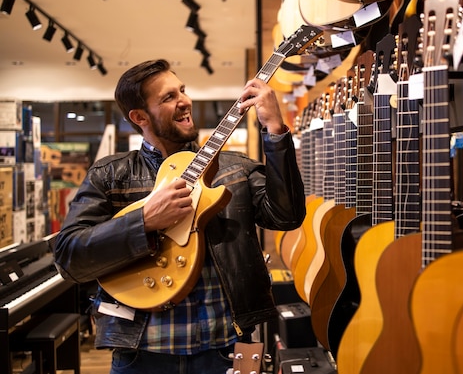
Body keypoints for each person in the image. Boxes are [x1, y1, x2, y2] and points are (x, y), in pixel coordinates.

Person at [53, 59, 306, 374]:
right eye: (168, 97)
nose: (184, 100)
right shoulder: (111, 175)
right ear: (139, 116)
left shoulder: (235, 168)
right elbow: (68, 257)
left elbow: (287, 217)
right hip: (142, 355)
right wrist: (144, 219)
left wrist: (275, 131)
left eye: (182, 90)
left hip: (230, 346)